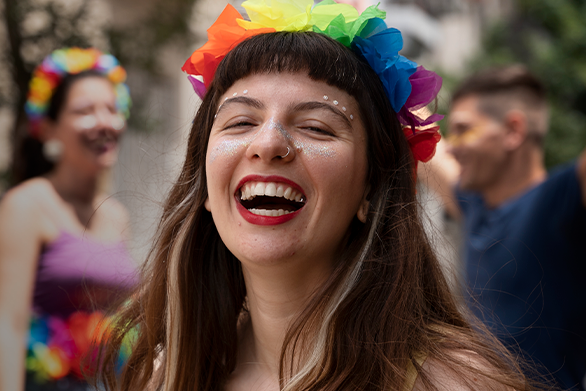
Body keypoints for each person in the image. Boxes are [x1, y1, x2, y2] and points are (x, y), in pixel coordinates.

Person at [93, 2, 537, 390]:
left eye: (316, 126)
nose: (267, 143)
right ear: (205, 185)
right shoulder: (164, 377)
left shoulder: (453, 384)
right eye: (240, 122)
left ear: (371, 189)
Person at [418, 63, 586, 389]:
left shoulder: (560, 205)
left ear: (514, 130)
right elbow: (418, 127)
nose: (452, 145)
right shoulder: (473, 205)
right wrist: (364, 40)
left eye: (463, 130)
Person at [0, 47, 139, 391]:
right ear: (49, 128)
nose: (104, 121)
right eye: (85, 111)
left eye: (112, 109)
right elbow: (8, 325)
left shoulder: (117, 215)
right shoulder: (25, 205)